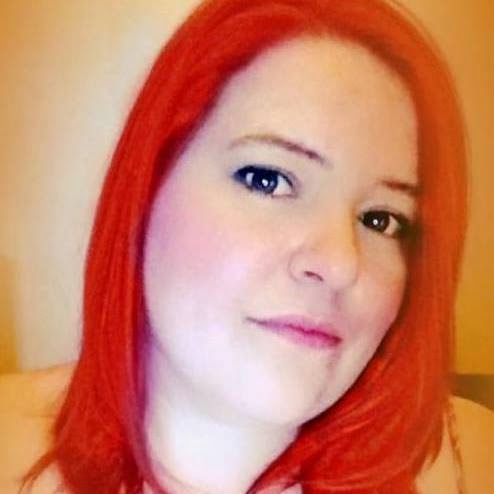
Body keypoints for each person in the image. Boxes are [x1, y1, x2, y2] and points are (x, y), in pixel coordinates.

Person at [1, 0, 493, 492]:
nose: (340, 262)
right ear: (148, 188)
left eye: (380, 219)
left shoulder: (470, 461)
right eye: (267, 180)